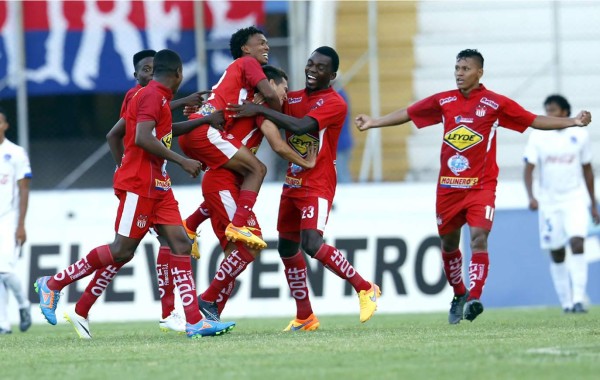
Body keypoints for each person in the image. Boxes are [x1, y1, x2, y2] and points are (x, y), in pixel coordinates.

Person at [354, 49, 592, 324]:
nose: (459, 73)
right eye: (457, 68)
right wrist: (374, 122)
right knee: (448, 243)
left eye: (465, 69)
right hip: (449, 188)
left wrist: (572, 122)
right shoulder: (444, 101)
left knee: (479, 238)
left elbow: (532, 119)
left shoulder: (494, 104)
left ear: (480, 72)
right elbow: (409, 113)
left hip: (481, 187)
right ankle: (459, 293)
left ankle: (475, 296)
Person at [34, 49, 235, 339]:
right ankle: (53, 283)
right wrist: (181, 161)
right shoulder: (150, 96)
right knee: (121, 250)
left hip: (159, 185)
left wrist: (201, 122)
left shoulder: (157, 97)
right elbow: (141, 137)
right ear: (178, 73)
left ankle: (194, 320)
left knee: (179, 242)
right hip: (140, 184)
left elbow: (159, 131)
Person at [228, 46, 381, 331]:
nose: (312, 70)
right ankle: (305, 316)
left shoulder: (335, 103)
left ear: (332, 75)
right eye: (310, 64)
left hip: (318, 183)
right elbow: (270, 113)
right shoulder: (294, 97)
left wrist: (259, 108)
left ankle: (365, 287)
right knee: (287, 248)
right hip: (292, 183)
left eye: (320, 67)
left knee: (311, 243)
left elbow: (300, 127)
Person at [183, 65, 317, 321]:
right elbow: (277, 145)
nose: (286, 96)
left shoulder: (242, 106)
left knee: (233, 259)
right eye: (284, 89)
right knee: (250, 247)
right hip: (222, 181)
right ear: (269, 84)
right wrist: (305, 162)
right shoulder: (259, 112)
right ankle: (206, 300)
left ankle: (208, 319)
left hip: (224, 182)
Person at [179, 26, 283, 252]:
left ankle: (190, 225)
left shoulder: (237, 79)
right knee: (257, 170)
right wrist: (266, 106)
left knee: (230, 177)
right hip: (204, 130)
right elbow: (273, 98)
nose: (267, 46)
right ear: (246, 49)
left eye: (267, 42)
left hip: (196, 128)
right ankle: (238, 224)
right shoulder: (248, 64)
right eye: (261, 42)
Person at [524, 94, 599, 313]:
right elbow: (528, 168)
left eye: (554, 110)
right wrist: (531, 196)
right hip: (549, 201)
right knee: (557, 251)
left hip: (574, 198)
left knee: (577, 243)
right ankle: (566, 302)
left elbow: (587, 170)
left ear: (565, 112)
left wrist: (593, 204)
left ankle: (578, 299)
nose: (549, 114)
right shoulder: (537, 137)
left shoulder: (580, 135)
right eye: (547, 110)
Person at [0, 107, 32, 334]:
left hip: (8, 218)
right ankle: (3, 324)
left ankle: (23, 304)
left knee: (4, 270)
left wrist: (21, 224)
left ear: (5, 125)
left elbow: (24, 190)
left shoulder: (16, 153)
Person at [336, 88, 354, 183]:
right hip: (341, 142)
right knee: (342, 173)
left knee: (342, 174)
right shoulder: (340, 95)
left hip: (340, 144)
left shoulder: (338, 97)